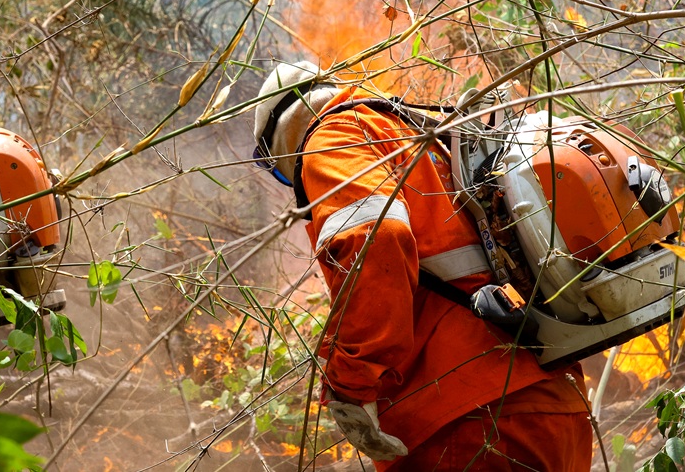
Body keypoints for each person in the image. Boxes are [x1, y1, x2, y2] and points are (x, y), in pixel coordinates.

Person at [253, 60, 593, 471]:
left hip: (466, 420)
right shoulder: (421, 130)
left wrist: (350, 382)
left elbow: (374, 241)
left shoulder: (333, 137)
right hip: (553, 402)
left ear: (283, 142)